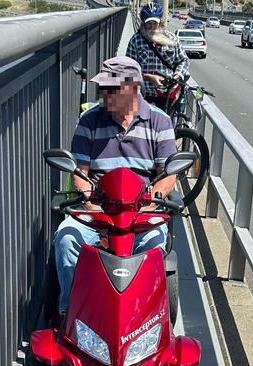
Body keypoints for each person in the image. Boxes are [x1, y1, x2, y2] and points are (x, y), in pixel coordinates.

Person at [53, 56, 177, 313]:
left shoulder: (160, 121)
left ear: (133, 87)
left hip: (141, 211)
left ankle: (146, 316)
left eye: (112, 89)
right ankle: (71, 311)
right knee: (67, 238)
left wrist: (152, 202)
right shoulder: (90, 120)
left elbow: (168, 175)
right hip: (98, 210)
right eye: (103, 89)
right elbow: (80, 171)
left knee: (154, 244)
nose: (104, 95)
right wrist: (89, 203)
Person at [126, 2, 190, 111]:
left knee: (165, 125)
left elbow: (184, 60)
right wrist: (149, 77)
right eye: (148, 23)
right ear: (143, 23)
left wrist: (177, 75)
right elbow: (128, 69)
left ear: (160, 22)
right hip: (144, 94)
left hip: (167, 93)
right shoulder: (136, 40)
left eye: (154, 23)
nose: (152, 27)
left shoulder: (172, 39)